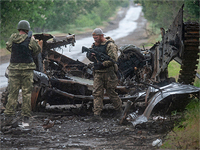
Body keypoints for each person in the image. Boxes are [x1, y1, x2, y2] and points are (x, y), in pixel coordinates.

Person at [4, 20, 42, 125]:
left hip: (14, 70)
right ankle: (25, 119)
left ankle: (8, 117)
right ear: (27, 29)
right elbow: (37, 50)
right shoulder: (30, 40)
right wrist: (33, 41)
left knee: (13, 93)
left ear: (18, 29)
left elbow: (8, 47)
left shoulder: (13, 37)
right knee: (26, 93)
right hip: (27, 70)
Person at [86, 28, 123, 122]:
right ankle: (96, 115)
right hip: (98, 73)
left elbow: (114, 59)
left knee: (111, 92)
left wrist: (103, 64)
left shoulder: (110, 45)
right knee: (97, 93)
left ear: (101, 36)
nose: (94, 39)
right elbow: (92, 57)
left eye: (96, 37)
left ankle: (120, 112)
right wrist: (90, 56)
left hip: (109, 73)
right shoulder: (94, 45)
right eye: (93, 37)